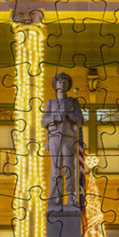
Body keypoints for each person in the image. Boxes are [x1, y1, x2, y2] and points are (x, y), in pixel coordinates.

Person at [41, 72, 84, 207]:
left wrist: (68, 115)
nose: (62, 83)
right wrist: (55, 117)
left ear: (68, 85)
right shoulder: (51, 103)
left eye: (65, 81)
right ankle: (56, 197)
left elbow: (80, 120)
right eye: (59, 81)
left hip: (68, 137)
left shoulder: (73, 102)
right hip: (54, 137)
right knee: (56, 167)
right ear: (56, 85)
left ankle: (70, 196)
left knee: (68, 167)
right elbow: (43, 121)